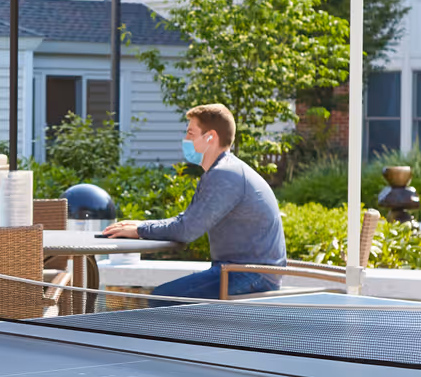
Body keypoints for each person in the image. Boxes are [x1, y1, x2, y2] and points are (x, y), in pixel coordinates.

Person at [103, 104, 285, 298]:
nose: (185, 140)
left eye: (191, 133)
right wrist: (141, 226)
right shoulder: (223, 170)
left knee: (162, 298)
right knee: (165, 296)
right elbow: (187, 221)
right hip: (245, 271)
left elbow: (186, 230)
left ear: (210, 137)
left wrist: (140, 230)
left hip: (250, 275)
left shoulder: (224, 174)